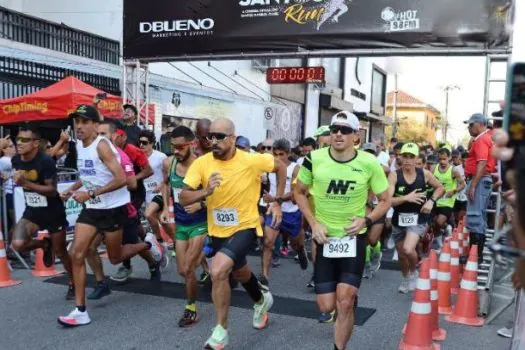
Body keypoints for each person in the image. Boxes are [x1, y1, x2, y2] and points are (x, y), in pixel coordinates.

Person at [179, 117, 286, 349]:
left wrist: (276, 201)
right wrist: (206, 191)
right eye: (211, 137)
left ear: (233, 139)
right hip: (218, 231)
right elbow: (183, 196)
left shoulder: (251, 160)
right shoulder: (203, 163)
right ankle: (261, 300)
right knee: (241, 274)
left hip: (245, 227)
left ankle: (221, 331)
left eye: (220, 137)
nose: (213, 141)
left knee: (218, 271)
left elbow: (280, 166)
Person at [294, 111, 391, 350]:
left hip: (352, 238)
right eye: (334, 129)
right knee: (327, 306)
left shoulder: (369, 163)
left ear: (355, 136)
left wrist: (366, 221)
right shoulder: (314, 159)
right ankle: (345, 300)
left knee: (344, 302)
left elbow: (385, 199)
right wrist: (314, 223)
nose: (338, 134)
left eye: (345, 130)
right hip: (324, 238)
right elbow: (299, 191)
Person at [57, 105, 150, 327]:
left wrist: (90, 193)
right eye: (76, 121)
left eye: (85, 122)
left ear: (95, 125)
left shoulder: (103, 146)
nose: (79, 126)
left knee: (116, 257)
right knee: (76, 253)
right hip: (92, 209)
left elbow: (121, 179)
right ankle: (81, 310)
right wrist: (74, 188)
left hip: (112, 208)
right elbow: (90, 174)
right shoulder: (80, 144)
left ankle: (147, 244)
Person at [85, 122, 162, 301]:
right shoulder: (96, 151)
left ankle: (151, 258)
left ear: (120, 136)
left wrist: (127, 179)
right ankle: (102, 282)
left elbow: (144, 174)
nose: (101, 138)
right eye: (99, 134)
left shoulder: (130, 152)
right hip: (102, 204)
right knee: (91, 246)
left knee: (129, 240)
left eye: (106, 134)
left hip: (130, 198)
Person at [10, 125, 74, 299]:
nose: (19, 143)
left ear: (35, 143)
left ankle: (73, 282)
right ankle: (44, 245)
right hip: (33, 211)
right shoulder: (16, 160)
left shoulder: (45, 162)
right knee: (17, 243)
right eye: (18, 139)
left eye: (25, 140)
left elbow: (52, 190)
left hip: (53, 211)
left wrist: (26, 184)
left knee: (61, 251)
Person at [160, 126, 208, 328]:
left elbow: (219, 194)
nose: (176, 151)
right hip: (181, 223)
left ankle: (191, 309)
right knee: (182, 270)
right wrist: (165, 207)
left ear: (192, 144)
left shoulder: (202, 166)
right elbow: (165, 184)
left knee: (188, 268)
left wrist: (201, 203)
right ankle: (208, 256)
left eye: (180, 147)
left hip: (200, 223)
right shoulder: (169, 163)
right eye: (173, 147)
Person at [388, 142, 444, 294]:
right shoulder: (394, 175)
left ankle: (414, 271)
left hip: (418, 217)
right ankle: (407, 278)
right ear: (400, 157)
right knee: (401, 254)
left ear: (416, 158)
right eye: (405, 156)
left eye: (411, 156)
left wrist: (431, 202)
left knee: (408, 249)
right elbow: (387, 200)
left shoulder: (424, 174)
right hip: (398, 218)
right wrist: (407, 198)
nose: (407, 159)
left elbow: (440, 188)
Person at [259, 138, 306, 290]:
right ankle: (264, 277)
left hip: (291, 212)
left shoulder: (296, 168)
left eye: (281, 154)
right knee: (268, 243)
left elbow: (294, 193)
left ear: (288, 154)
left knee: (295, 242)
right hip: (273, 210)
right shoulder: (268, 167)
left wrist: (276, 198)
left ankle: (300, 250)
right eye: (275, 154)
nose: (278, 158)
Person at [110, 124, 155, 283]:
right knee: (134, 228)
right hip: (117, 195)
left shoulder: (133, 151)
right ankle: (150, 241)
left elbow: (149, 171)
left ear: (123, 137)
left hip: (134, 194)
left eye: (116, 136)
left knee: (127, 231)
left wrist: (132, 178)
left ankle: (129, 265)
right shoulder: (108, 151)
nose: (113, 140)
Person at [463, 113, 496, 263]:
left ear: (479, 124)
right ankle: (476, 255)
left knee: (475, 217)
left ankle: (475, 256)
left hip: (480, 180)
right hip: (482, 180)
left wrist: (473, 186)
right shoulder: (484, 138)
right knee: (479, 217)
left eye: (470, 125)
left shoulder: (482, 140)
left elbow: (482, 163)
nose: (468, 128)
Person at [140, 129, 170, 261]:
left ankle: (159, 240)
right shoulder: (137, 156)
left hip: (159, 192)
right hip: (145, 193)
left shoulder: (161, 157)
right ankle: (176, 241)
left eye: (145, 143)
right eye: (139, 142)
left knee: (148, 214)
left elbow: (168, 176)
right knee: (161, 221)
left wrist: (161, 184)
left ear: (152, 143)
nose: (141, 145)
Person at [432, 147, 466, 245]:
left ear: (449, 158)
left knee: (439, 222)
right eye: (440, 159)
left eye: (444, 159)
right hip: (436, 198)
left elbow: (463, 185)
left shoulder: (453, 170)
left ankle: (446, 227)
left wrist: (454, 191)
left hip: (447, 201)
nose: (442, 161)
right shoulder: (434, 168)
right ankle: (442, 235)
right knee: (434, 223)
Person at [452, 150, 468, 223]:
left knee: (460, 218)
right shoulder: (456, 169)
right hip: (456, 196)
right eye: (463, 161)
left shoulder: (473, 169)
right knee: (456, 219)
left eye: (467, 161)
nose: (465, 163)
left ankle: (460, 233)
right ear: (461, 160)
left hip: (466, 198)